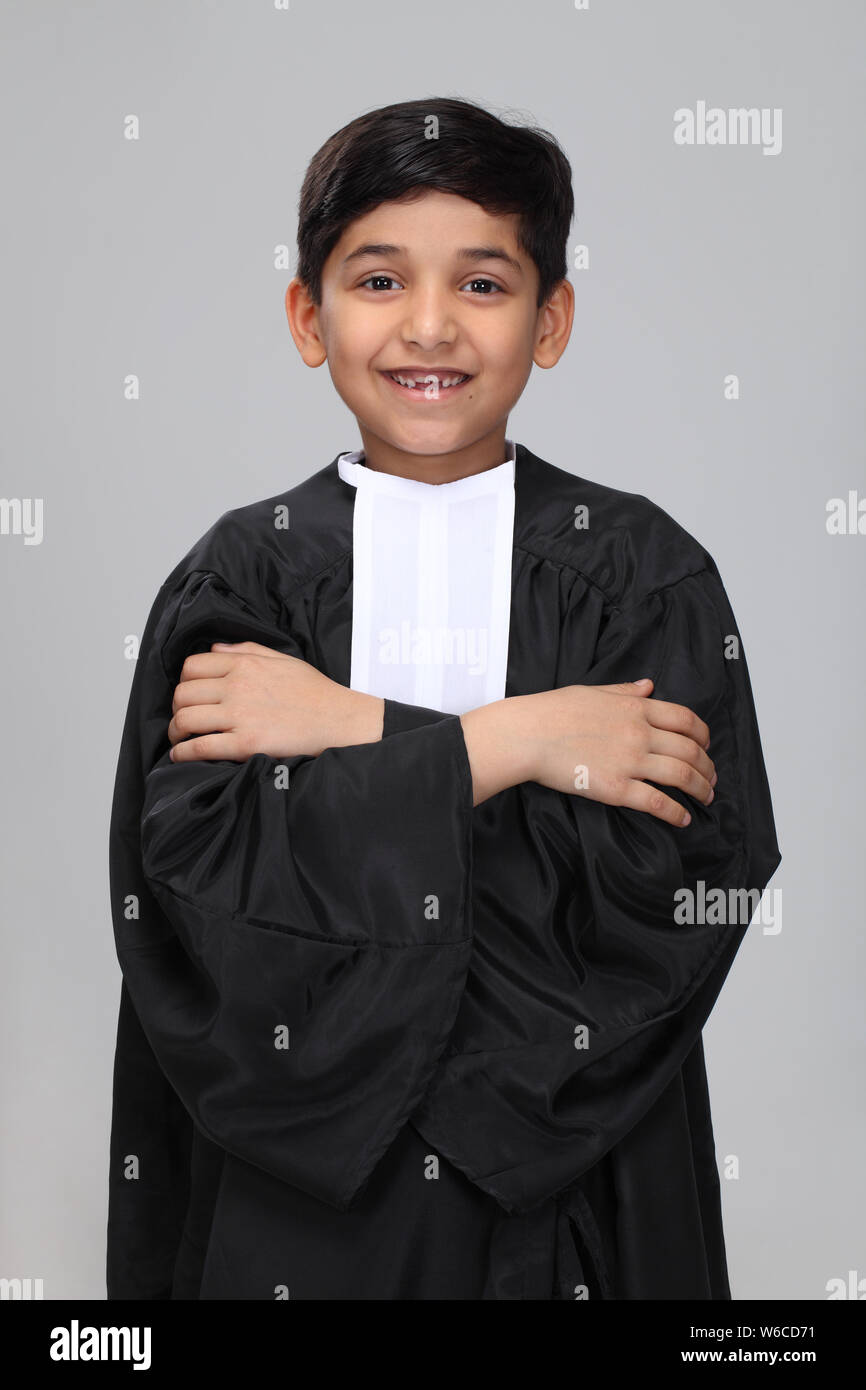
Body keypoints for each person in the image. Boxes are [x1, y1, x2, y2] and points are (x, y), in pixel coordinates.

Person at [106, 96, 781, 1300]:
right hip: (302, 1193)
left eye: (482, 284)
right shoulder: (243, 573)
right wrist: (517, 743)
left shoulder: (637, 571)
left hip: (565, 1170)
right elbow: (209, 892)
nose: (429, 327)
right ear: (307, 317)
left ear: (551, 318)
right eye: (377, 281)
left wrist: (350, 740)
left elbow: (666, 894)